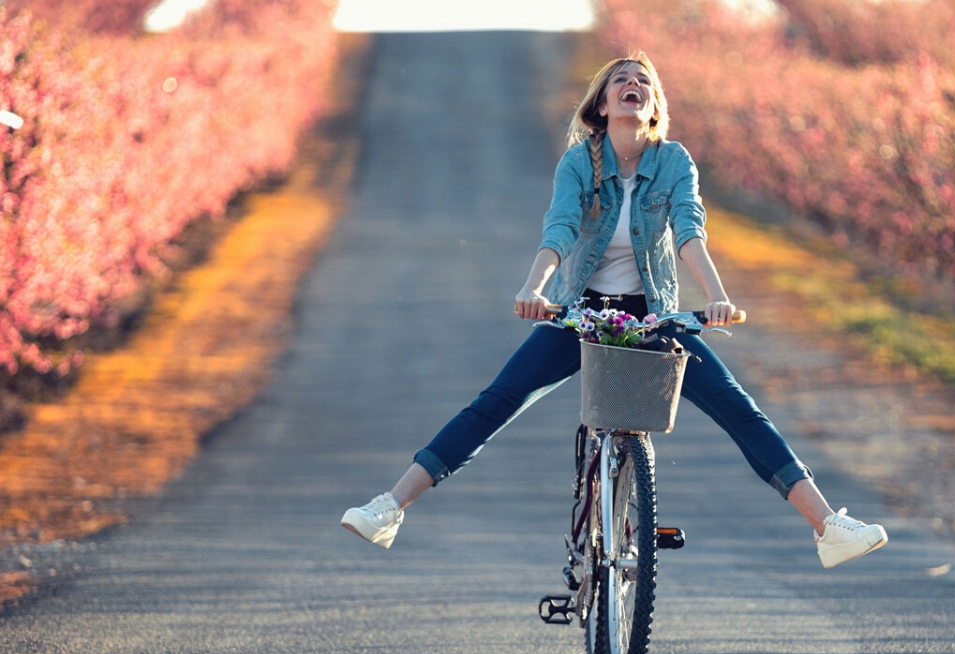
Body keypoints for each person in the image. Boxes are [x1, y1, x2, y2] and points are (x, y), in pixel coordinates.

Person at [341, 51, 887, 569]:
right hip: (583, 315)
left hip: (653, 317)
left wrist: (716, 298)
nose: (634, 84)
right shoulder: (580, 162)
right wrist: (535, 289)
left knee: (739, 409)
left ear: (653, 106)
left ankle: (828, 528)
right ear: (602, 103)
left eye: (644, 81)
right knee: (497, 401)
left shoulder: (673, 161)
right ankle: (390, 507)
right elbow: (558, 229)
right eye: (622, 79)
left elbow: (689, 231)